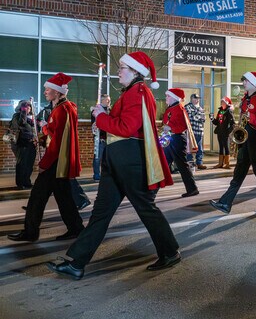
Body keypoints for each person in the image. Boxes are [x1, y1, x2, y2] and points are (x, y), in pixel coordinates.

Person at [47, 52, 180, 280]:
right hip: (119, 160)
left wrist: (101, 117)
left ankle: (170, 251)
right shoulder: (131, 92)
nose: (118, 71)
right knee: (101, 213)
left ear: (136, 71)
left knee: (146, 209)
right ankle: (77, 263)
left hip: (130, 161)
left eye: (122, 67)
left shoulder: (138, 92)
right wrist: (105, 117)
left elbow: (127, 127)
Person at [8, 73, 84, 243]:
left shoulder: (62, 110)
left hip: (55, 161)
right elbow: (56, 133)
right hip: (58, 161)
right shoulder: (63, 108)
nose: (45, 92)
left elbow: (57, 141)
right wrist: (42, 137)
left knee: (37, 197)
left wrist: (44, 162)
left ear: (57, 92)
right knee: (64, 198)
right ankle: (76, 228)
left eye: (47, 89)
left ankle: (31, 232)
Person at [209, 71, 256, 214]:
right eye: (244, 80)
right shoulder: (246, 99)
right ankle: (225, 202)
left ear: (254, 83)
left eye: (246, 80)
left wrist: (250, 116)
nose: (243, 83)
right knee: (240, 170)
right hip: (246, 137)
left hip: (255, 137)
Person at [163, 88, 199, 197]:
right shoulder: (171, 108)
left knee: (182, 166)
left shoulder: (179, 108)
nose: (166, 98)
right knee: (163, 164)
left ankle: (192, 188)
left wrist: (170, 128)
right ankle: (152, 191)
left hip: (177, 139)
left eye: (168, 96)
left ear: (174, 97)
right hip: (170, 138)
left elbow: (183, 126)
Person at [10, 100, 37, 190]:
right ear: (21, 107)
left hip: (30, 143)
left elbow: (35, 129)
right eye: (26, 107)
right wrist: (23, 112)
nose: (28, 108)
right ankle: (20, 183)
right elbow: (21, 122)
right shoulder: (17, 116)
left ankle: (27, 181)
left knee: (29, 163)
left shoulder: (30, 118)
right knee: (22, 164)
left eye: (29, 107)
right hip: (21, 143)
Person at [91, 94, 111, 181]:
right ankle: (96, 174)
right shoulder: (96, 110)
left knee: (106, 158)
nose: (109, 102)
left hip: (108, 137)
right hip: (100, 137)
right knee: (97, 157)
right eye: (107, 100)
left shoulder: (110, 110)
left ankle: (105, 174)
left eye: (109, 100)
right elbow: (95, 124)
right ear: (102, 100)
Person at [211, 96, 235, 169]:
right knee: (221, 147)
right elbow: (217, 122)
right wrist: (212, 119)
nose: (222, 103)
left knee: (226, 147)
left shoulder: (229, 111)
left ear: (227, 103)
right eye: (221, 102)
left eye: (223, 102)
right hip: (219, 132)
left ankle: (227, 164)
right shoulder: (220, 111)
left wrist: (228, 131)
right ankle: (220, 163)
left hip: (225, 132)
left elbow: (233, 124)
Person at [185, 93, 207, 170]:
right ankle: (190, 163)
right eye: (195, 98)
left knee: (200, 149)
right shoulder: (187, 107)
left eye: (198, 98)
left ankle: (199, 163)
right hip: (191, 131)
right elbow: (190, 117)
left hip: (199, 131)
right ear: (191, 99)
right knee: (189, 148)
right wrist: (198, 116)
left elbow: (204, 119)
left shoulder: (201, 108)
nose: (197, 100)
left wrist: (197, 116)